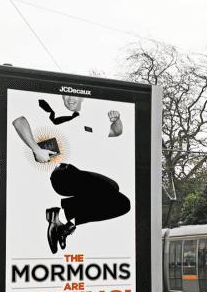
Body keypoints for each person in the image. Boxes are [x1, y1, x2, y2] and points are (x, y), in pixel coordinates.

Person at [12, 94, 129, 254]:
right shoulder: (50, 114)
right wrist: (36, 148)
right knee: (113, 186)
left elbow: (116, 131)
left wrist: (116, 119)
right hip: (64, 175)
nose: (70, 99)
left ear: (83, 99)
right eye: (66, 96)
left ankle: (64, 226)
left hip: (84, 179)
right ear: (61, 97)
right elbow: (19, 121)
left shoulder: (90, 123)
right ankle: (61, 210)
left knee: (122, 203)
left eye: (74, 96)